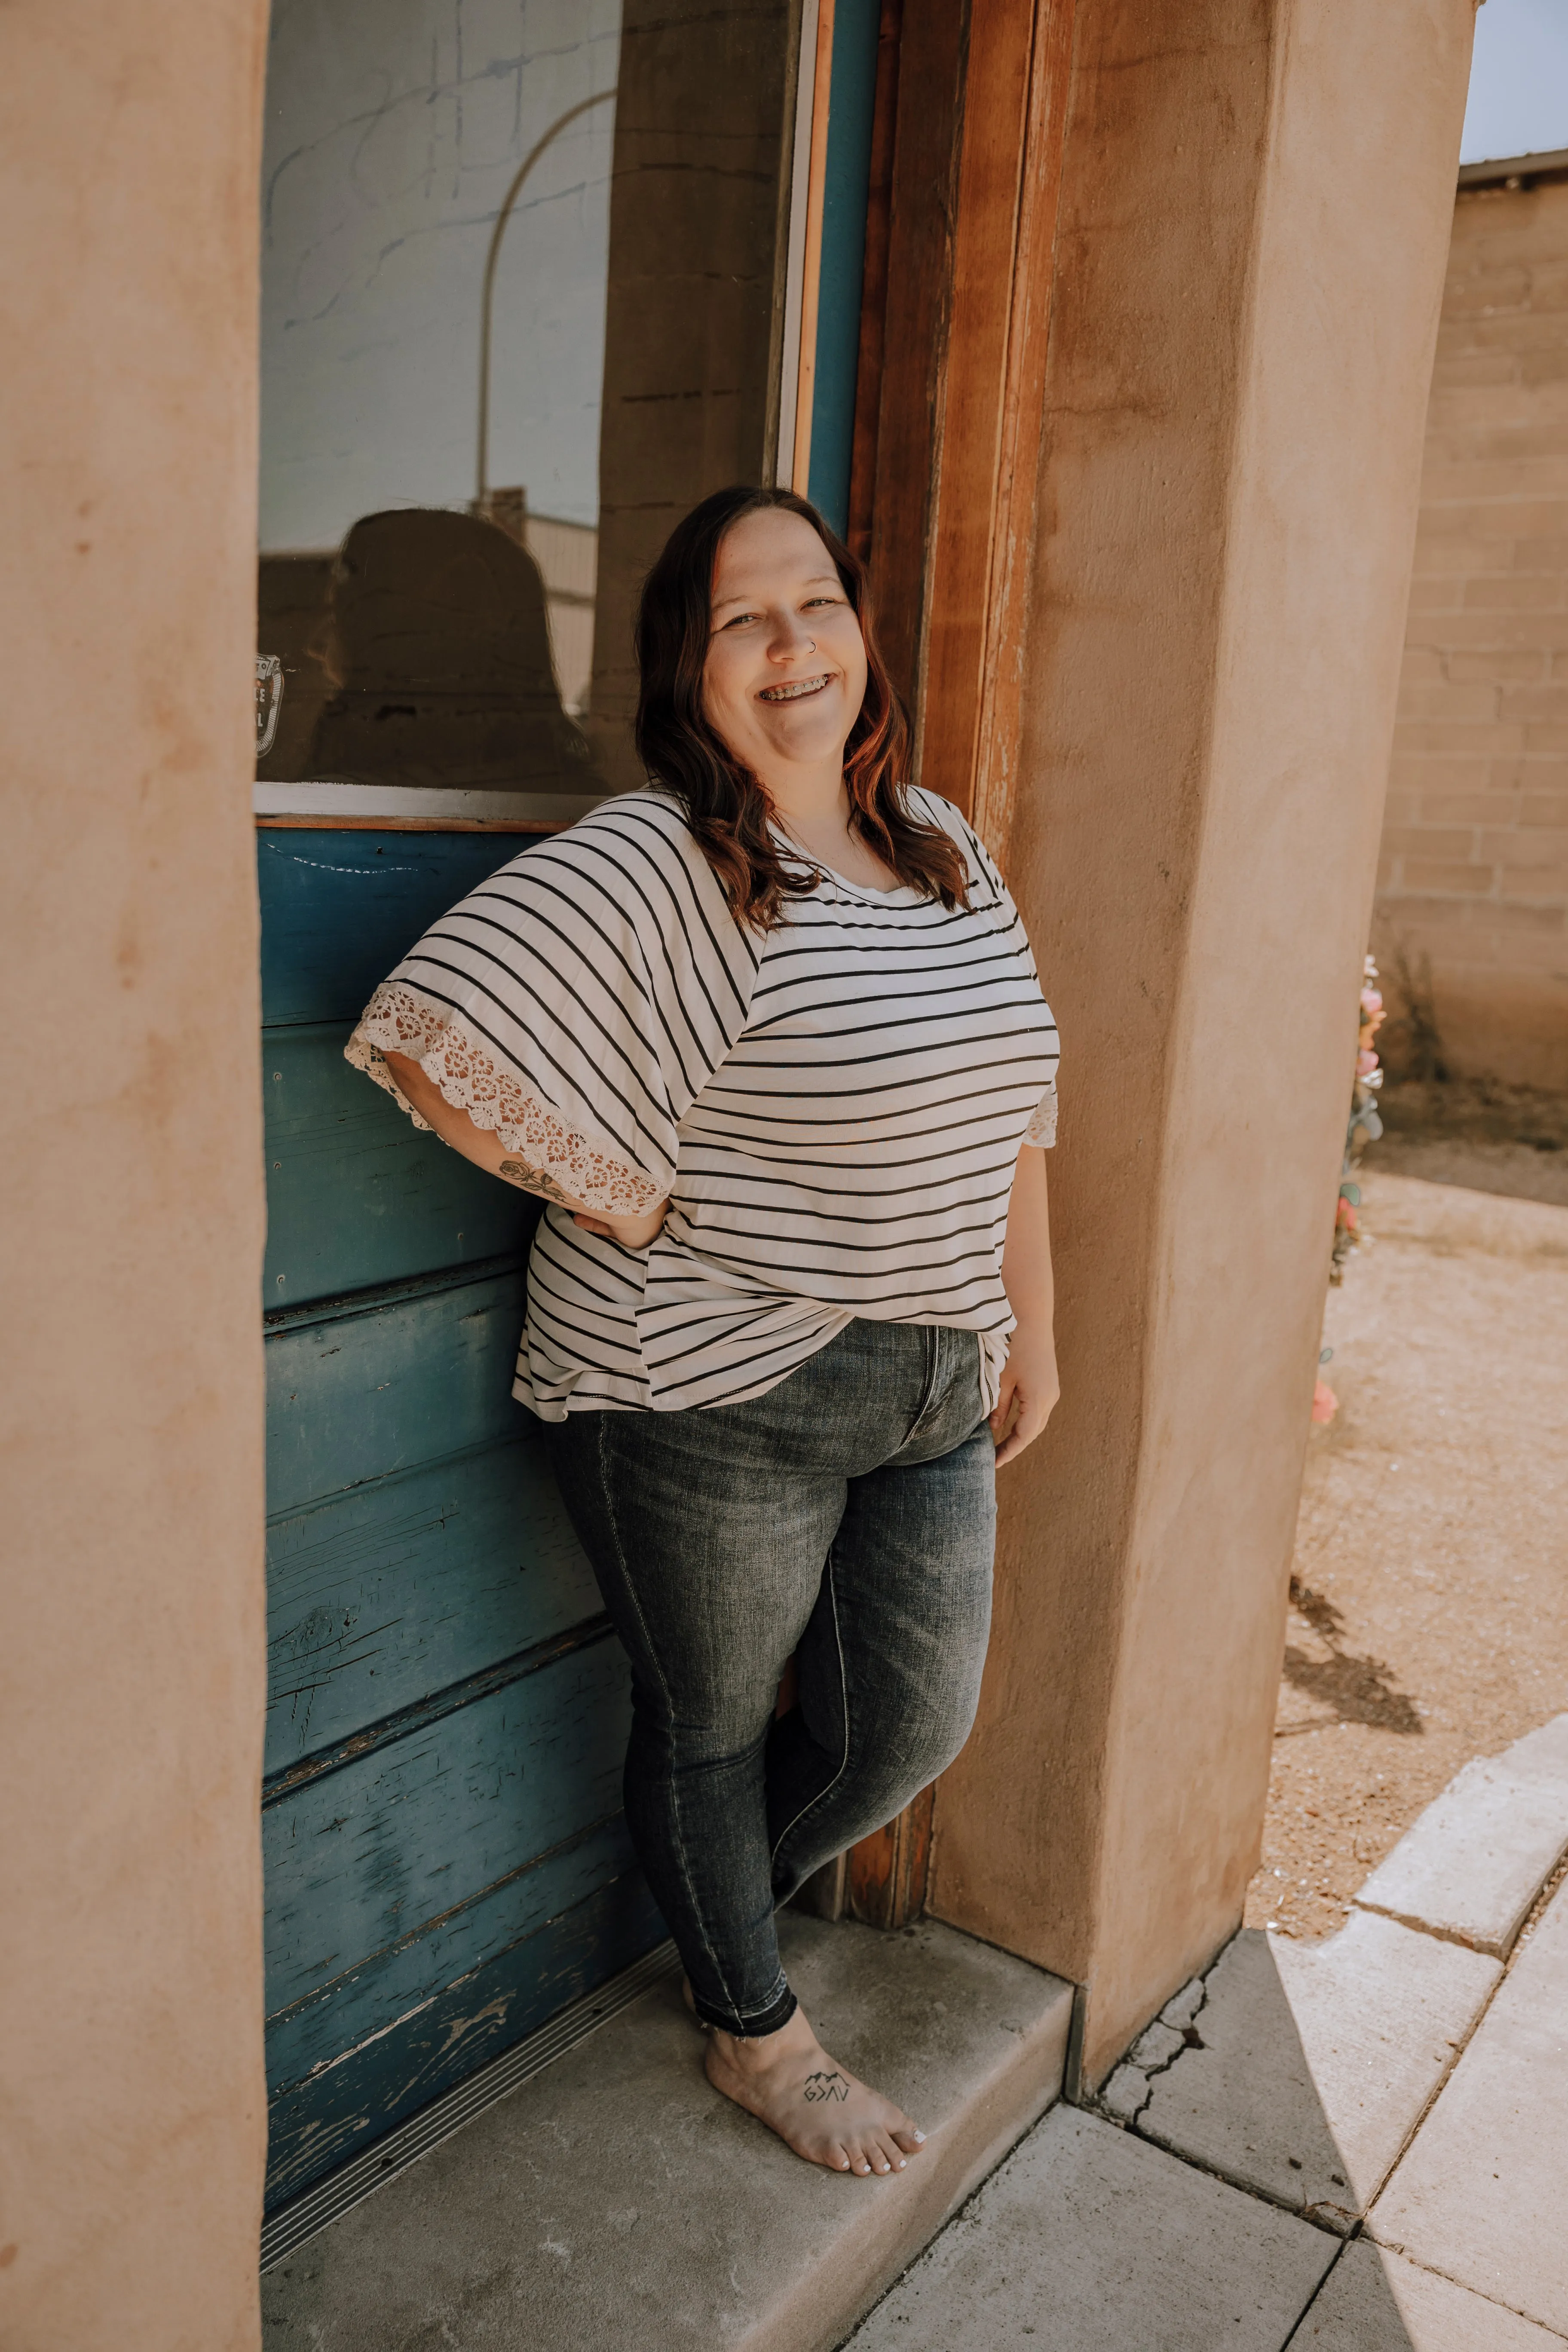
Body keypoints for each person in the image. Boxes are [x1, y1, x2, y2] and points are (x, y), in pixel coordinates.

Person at [346, 484, 1060, 2180]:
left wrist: (1036, 1320)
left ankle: (703, 1888)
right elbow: (434, 1041)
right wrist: (636, 1201)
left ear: (858, 628)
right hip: (706, 1382)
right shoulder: (662, 855)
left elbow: (1023, 1100)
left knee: (907, 1727)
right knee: (713, 1725)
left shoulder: (944, 840)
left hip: (937, 1372)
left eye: (813, 601)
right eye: (744, 618)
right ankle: (758, 2032)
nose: (791, 645)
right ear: (689, 662)